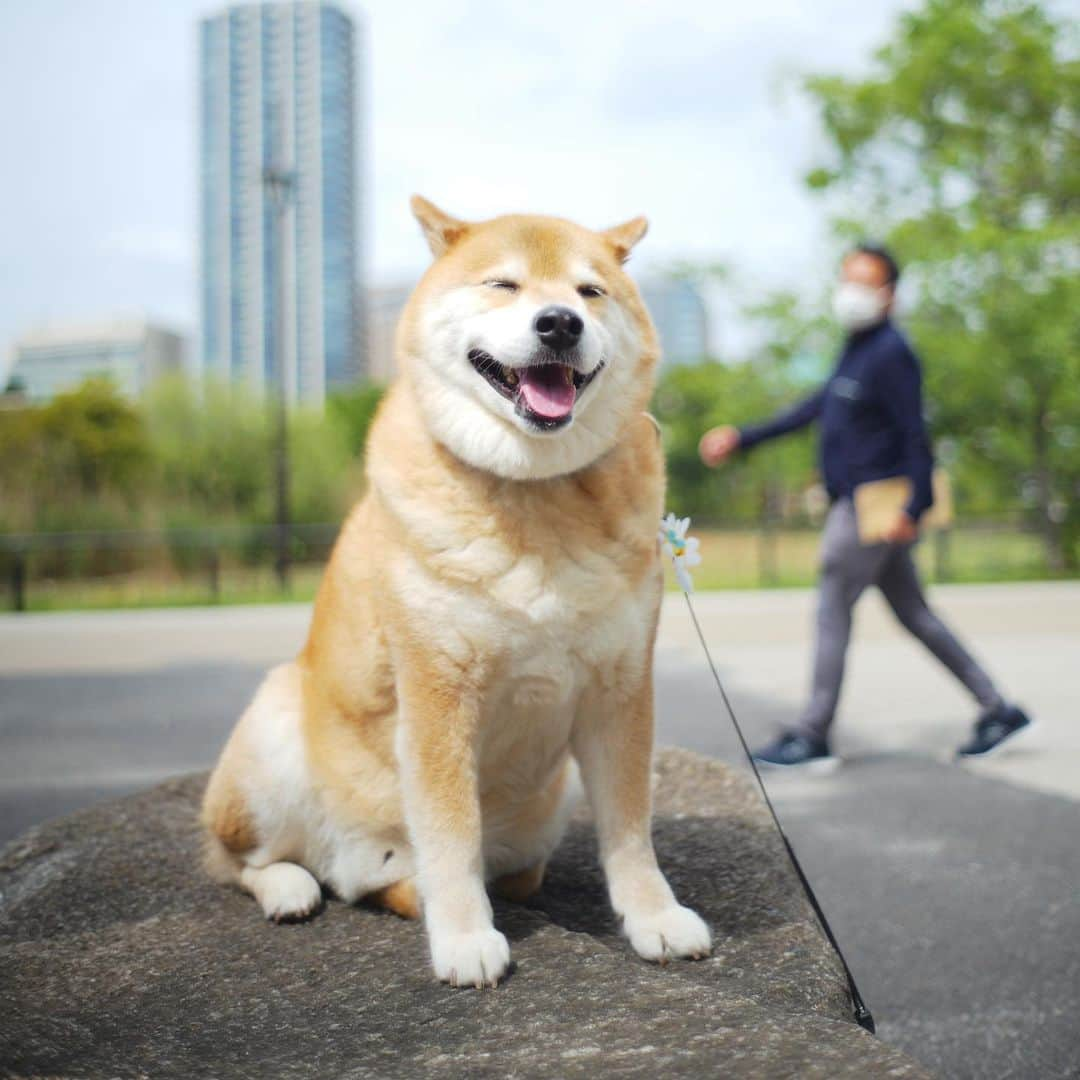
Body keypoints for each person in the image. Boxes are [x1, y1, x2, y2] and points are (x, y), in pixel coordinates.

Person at [699, 243, 1031, 768]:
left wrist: (914, 507)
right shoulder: (856, 347)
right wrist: (744, 438)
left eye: (863, 282)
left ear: (889, 294)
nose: (850, 293)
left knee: (832, 604)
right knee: (916, 614)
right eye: (845, 280)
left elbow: (914, 433)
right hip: (866, 506)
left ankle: (813, 734)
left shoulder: (893, 353)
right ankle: (998, 708)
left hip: (874, 505)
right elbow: (815, 407)